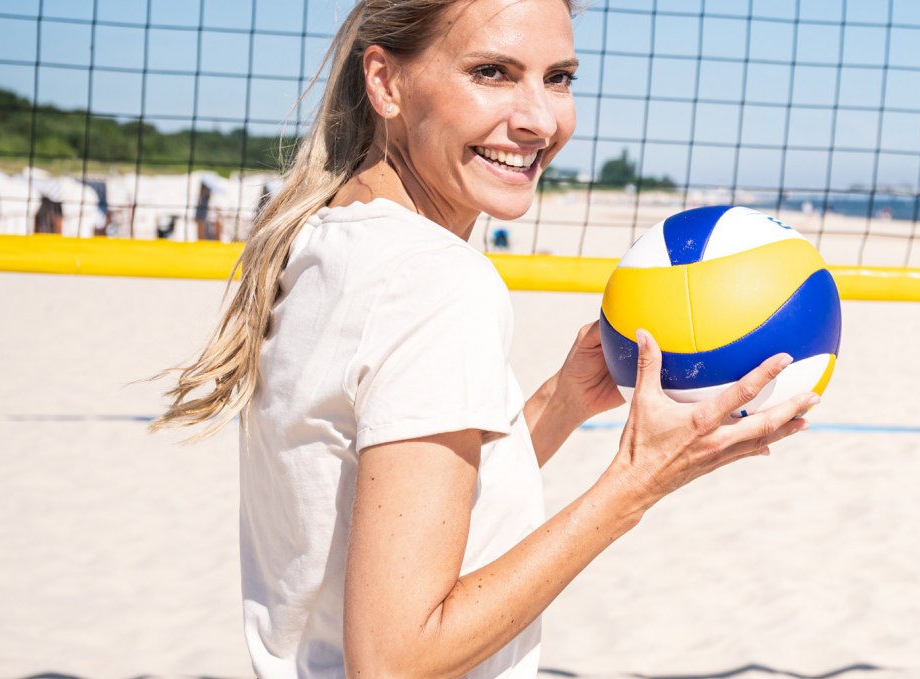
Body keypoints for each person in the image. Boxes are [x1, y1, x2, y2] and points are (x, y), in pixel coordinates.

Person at [150, 2, 815, 676]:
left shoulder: (319, 236)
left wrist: (559, 405)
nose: (540, 119)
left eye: (558, 77)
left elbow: (389, 503)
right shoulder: (436, 282)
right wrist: (637, 482)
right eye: (493, 72)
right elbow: (396, 658)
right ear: (385, 82)